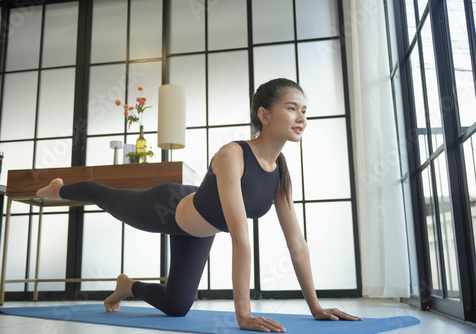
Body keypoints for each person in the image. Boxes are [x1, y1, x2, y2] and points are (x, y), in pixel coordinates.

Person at [37, 78, 362, 332]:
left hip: (200, 229)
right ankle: (59, 189)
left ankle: (127, 286)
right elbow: (239, 236)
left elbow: (297, 244)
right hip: (167, 208)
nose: (301, 117)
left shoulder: (280, 173)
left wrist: (316, 307)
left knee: (177, 306)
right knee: (107, 197)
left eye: (304, 110)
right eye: (292, 108)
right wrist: (244, 314)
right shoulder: (232, 154)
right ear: (264, 115)